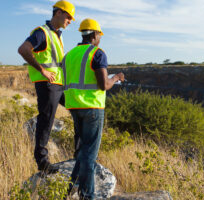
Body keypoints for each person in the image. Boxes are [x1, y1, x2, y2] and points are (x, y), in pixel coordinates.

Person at [62, 18, 124, 200]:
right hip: (92, 108)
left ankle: (69, 189)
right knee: (89, 155)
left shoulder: (70, 55)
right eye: (99, 35)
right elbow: (104, 84)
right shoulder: (97, 53)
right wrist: (117, 78)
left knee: (82, 151)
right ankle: (87, 196)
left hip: (74, 106)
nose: (100, 39)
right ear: (95, 35)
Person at [18, 0, 75, 173]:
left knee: (78, 108)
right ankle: (42, 162)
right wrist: (42, 70)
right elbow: (23, 49)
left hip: (59, 84)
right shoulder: (41, 33)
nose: (70, 20)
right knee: (46, 120)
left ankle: (80, 152)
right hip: (48, 85)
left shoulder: (57, 34)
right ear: (58, 13)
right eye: (68, 16)